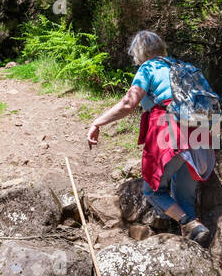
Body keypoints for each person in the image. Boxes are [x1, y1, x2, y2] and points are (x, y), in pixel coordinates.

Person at [86, 30, 214, 245]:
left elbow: (128, 103)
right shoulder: (183, 67)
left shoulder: (149, 68)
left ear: (139, 53)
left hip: (170, 133)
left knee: (152, 190)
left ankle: (189, 224)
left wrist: (97, 122)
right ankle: (194, 242)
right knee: (184, 198)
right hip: (199, 134)